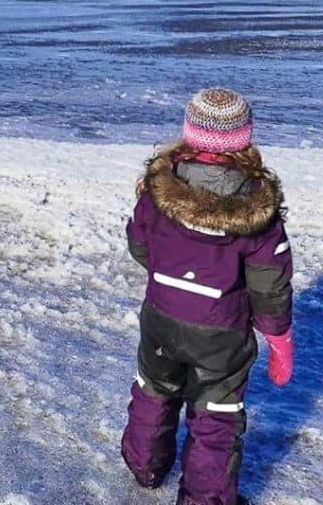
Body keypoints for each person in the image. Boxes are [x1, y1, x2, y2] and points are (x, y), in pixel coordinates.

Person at [120, 88, 294, 505]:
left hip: (162, 313)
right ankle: (203, 497)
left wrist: (171, 272)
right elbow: (269, 282)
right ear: (243, 140)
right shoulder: (256, 207)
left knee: (154, 388)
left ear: (189, 134)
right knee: (216, 415)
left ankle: (144, 463)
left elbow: (138, 243)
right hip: (221, 331)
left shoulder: (158, 191)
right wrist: (279, 337)